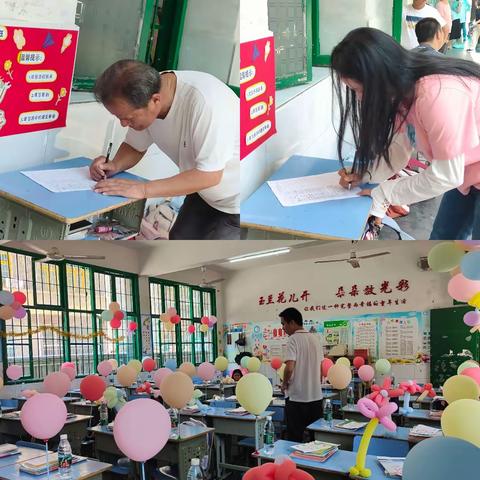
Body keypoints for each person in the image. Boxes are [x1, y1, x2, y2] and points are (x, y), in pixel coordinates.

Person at [332, 28, 480, 240]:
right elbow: (401, 147)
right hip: (465, 173)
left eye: (360, 90)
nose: (359, 99)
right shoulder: (402, 94)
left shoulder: (437, 95)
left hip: (459, 172)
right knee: (442, 240)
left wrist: (385, 193)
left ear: (379, 77)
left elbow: (446, 176)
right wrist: (365, 174)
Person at [90, 60, 240, 240]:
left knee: (214, 261)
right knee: (178, 243)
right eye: (119, 118)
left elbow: (210, 175)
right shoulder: (148, 93)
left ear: (155, 100)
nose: (123, 124)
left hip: (236, 201)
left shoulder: (206, 104)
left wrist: (144, 189)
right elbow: (134, 147)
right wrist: (114, 165)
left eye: (128, 118)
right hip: (202, 192)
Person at [280, 308, 323, 442]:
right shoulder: (315, 339)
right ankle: (313, 463)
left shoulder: (293, 339)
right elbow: (321, 368)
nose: (283, 328)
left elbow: (289, 367)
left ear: (292, 322)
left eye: (283, 324)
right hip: (316, 397)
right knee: (315, 438)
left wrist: (285, 383)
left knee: (295, 437)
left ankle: (295, 463)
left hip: (297, 398)